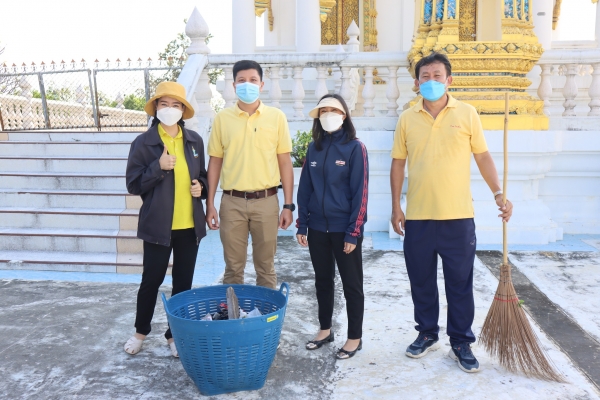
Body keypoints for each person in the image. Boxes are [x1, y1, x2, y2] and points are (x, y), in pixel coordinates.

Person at [390, 52, 513, 373]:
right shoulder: (407, 118)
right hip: (418, 216)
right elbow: (398, 164)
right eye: (425, 76)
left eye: (437, 75)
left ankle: (460, 341)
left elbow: (483, 156)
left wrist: (498, 193)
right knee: (421, 281)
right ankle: (427, 333)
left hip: (458, 217)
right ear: (416, 82)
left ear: (449, 80)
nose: (431, 81)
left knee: (459, 283)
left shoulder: (467, 113)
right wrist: (396, 206)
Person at [123, 81, 208, 357]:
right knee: (151, 281)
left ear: (183, 110)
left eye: (175, 105)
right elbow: (133, 185)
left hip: (189, 226)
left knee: (183, 285)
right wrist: (157, 168)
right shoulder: (143, 143)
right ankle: (140, 331)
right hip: (158, 226)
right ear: (156, 108)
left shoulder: (194, 141)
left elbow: (203, 176)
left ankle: (174, 334)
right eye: (164, 104)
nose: (169, 109)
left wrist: (202, 187)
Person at [205, 60, 294, 289]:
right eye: (242, 80)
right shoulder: (222, 119)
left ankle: (266, 311)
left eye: (253, 80)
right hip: (232, 202)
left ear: (262, 84)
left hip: (266, 202)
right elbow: (215, 162)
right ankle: (233, 311)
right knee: (233, 268)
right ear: (234, 85)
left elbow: (285, 162)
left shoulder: (276, 117)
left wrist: (288, 205)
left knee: (266, 267)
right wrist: (210, 204)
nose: (248, 84)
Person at [296, 94, 369, 360]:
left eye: (333, 110)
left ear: (344, 115)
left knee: (352, 285)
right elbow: (305, 189)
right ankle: (325, 330)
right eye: (323, 111)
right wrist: (302, 224)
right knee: (323, 282)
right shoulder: (313, 149)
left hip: (344, 230)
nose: (328, 115)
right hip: (317, 228)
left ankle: (354, 337)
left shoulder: (355, 148)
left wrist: (353, 231)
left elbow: (360, 193)